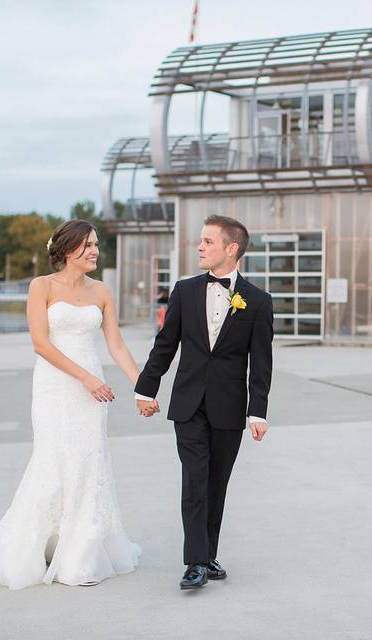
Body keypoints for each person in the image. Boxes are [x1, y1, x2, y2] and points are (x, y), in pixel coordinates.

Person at [0, 220, 142, 589]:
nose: (96, 251)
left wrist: (143, 387)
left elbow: (116, 346)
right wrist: (86, 378)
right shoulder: (41, 286)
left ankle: (78, 558)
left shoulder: (102, 292)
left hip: (93, 391)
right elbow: (40, 343)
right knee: (52, 463)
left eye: (96, 244)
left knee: (87, 465)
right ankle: (39, 547)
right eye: (88, 245)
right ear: (67, 250)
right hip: (56, 385)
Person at [134, 215, 273, 590]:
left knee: (216, 483)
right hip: (189, 404)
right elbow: (165, 345)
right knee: (195, 479)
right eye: (200, 241)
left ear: (231, 249)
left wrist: (257, 411)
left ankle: (208, 554)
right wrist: (146, 388)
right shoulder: (185, 290)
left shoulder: (258, 302)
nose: (199, 247)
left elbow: (261, 363)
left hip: (229, 408)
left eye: (208, 242)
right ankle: (195, 562)